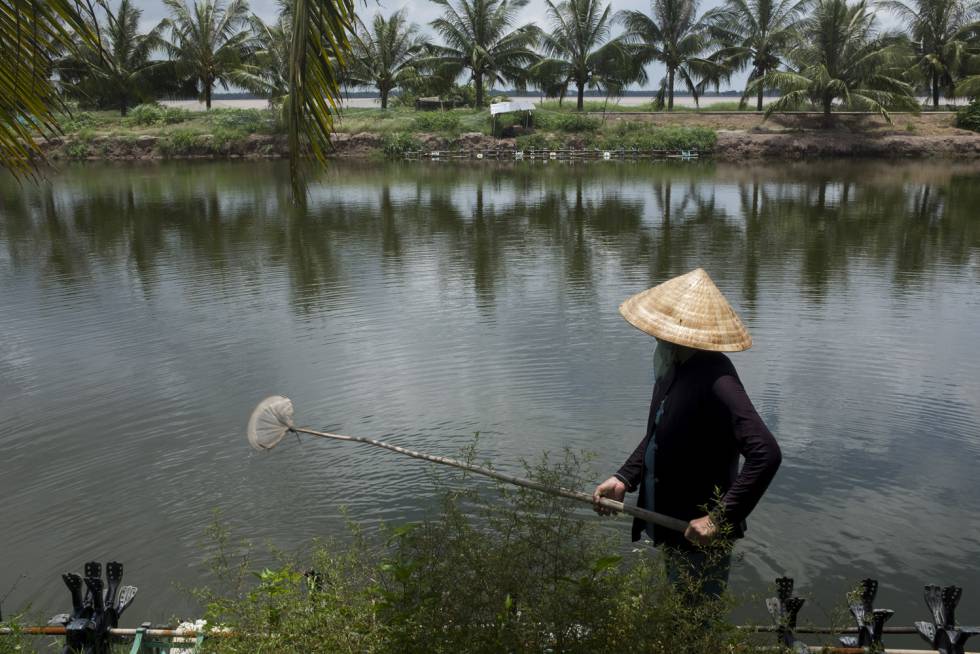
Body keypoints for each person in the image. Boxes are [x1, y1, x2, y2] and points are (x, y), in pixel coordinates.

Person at [592, 268, 781, 598]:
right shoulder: (674, 367)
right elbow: (661, 434)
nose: (655, 338)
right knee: (680, 613)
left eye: (659, 333)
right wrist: (624, 478)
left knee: (695, 623)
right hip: (673, 525)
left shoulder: (717, 379)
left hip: (700, 537)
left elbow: (766, 453)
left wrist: (717, 519)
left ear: (678, 334)